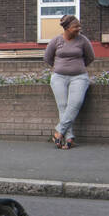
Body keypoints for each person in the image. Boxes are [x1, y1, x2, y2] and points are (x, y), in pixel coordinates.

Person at [42, 14, 95, 149]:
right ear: (67, 28)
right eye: (75, 26)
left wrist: (77, 67)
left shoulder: (83, 40)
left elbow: (90, 57)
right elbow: (47, 58)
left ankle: (59, 132)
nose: (79, 28)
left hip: (79, 77)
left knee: (75, 103)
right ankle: (69, 137)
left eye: (79, 26)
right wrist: (60, 67)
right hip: (59, 77)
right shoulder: (56, 41)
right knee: (63, 106)